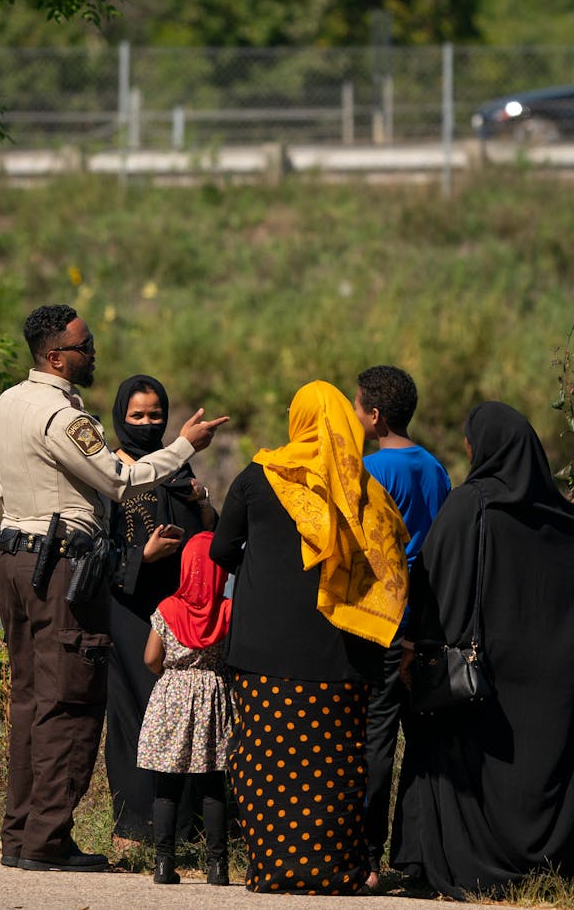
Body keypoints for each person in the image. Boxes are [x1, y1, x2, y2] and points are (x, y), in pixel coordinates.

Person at [0, 304, 227, 873]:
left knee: (28, 701)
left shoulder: (6, 402)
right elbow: (121, 479)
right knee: (69, 701)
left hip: (14, 563)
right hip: (60, 566)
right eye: (84, 346)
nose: (92, 353)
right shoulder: (58, 415)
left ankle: (20, 837)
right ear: (55, 357)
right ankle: (46, 841)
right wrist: (185, 444)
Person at [392, 401, 574, 898]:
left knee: (444, 743)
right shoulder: (555, 514)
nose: (469, 449)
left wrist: (416, 645)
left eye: (471, 441)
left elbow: (432, 584)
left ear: (485, 446)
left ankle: (460, 863)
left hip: (479, 676)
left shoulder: (470, 505)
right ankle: (555, 866)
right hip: (539, 679)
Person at [209, 380, 408, 895]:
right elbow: (391, 564)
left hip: (262, 648)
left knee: (265, 762)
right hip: (339, 649)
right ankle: (336, 871)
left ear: (297, 420)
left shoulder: (259, 477)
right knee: (333, 766)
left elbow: (222, 550)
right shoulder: (361, 488)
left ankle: (271, 869)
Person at [105, 374, 218, 847]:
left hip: (179, 613)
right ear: (120, 417)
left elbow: (211, 534)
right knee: (134, 713)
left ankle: (188, 829)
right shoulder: (108, 472)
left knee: (188, 712)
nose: (147, 424)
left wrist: (203, 501)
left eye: (155, 416)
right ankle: (134, 827)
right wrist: (141, 557)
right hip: (130, 608)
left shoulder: (178, 473)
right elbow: (96, 549)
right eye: (138, 416)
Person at [350, 365, 451, 887]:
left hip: (387, 622)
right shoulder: (437, 470)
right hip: (430, 619)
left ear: (374, 414)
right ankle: (421, 857)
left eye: (358, 404)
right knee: (425, 743)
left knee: (375, 740)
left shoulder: (373, 472)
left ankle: (367, 858)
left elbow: (386, 559)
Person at [137, 531, 234, 887]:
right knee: (212, 785)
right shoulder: (227, 610)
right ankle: (218, 867)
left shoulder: (167, 609)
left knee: (167, 784)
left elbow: (150, 658)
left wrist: (169, 676)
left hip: (172, 695)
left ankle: (163, 864)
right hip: (213, 695)